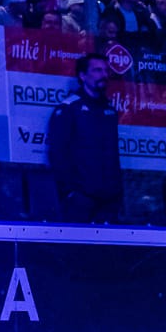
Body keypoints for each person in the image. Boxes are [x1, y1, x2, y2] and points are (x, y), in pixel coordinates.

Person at [45, 53, 121, 223]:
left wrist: (117, 190)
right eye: (97, 70)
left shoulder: (109, 110)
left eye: (106, 70)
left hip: (110, 198)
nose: (104, 75)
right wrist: (70, 191)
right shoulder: (69, 109)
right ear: (82, 75)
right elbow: (57, 153)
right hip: (81, 198)